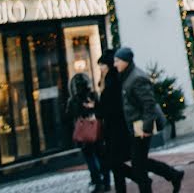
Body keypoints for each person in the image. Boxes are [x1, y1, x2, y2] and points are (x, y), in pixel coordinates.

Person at [112, 47, 184, 193]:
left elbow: (148, 104)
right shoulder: (127, 76)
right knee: (140, 162)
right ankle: (173, 175)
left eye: (117, 61)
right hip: (137, 125)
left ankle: (172, 175)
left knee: (138, 164)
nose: (115, 64)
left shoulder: (136, 78)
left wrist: (146, 128)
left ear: (126, 61)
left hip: (142, 126)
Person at [95, 50, 136, 193]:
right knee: (117, 163)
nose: (100, 68)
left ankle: (144, 178)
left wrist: (95, 107)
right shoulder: (110, 79)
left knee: (115, 163)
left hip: (116, 129)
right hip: (115, 128)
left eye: (101, 65)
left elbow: (108, 107)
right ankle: (139, 179)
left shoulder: (111, 81)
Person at [66, 72, 109, 192]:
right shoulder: (93, 95)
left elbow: (69, 115)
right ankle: (106, 181)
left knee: (90, 158)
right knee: (101, 156)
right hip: (97, 130)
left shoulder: (74, 100)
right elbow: (101, 110)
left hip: (84, 133)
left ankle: (97, 181)